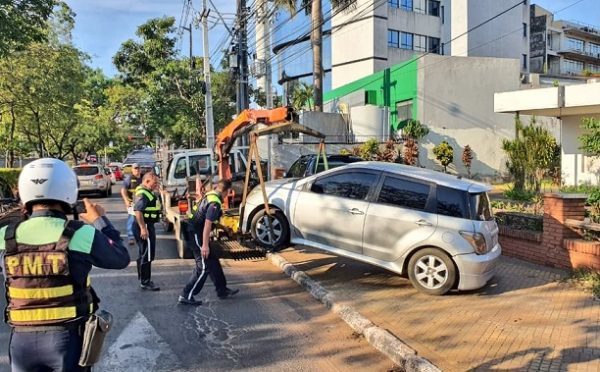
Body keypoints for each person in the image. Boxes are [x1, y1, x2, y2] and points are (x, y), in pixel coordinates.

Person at [0, 158, 130, 372]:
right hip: (66, 340)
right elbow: (120, 258)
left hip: (21, 343)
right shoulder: (79, 233)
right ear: (68, 190)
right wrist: (99, 220)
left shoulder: (6, 236)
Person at [178, 179, 239, 306]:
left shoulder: (211, 194)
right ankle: (186, 295)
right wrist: (205, 245)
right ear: (226, 191)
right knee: (203, 267)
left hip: (196, 231)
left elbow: (208, 220)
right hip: (195, 233)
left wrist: (224, 229)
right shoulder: (215, 202)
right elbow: (207, 224)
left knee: (213, 261)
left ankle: (222, 290)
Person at [133, 171, 161, 291]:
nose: (156, 185)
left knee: (143, 252)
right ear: (147, 181)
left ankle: (142, 278)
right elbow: (138, 211)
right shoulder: (143, 193)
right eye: (155, 183)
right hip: (145, 226)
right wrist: (143, 228)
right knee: (147, 254)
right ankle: (145, 281)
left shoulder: (145, 191)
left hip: (145, 225)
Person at [121, 163, 143, 245]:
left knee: (142, 219)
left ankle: (141, 234)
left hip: (141, 202)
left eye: (138, 168)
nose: (137, 170)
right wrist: (126, 200)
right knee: (132, 219)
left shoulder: (143, 178)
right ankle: (131, 237)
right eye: (135, 168)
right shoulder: (129, 179)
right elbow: (123, 190)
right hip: (132, 203)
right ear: (132, 170)